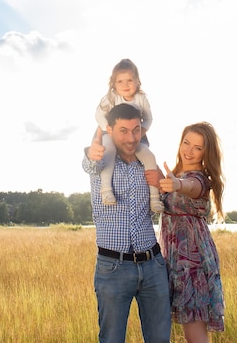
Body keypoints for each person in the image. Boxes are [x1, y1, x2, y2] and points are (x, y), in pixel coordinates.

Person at [82, 103, 171, 343]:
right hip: (113, 268)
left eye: (136, 130)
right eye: (123, 130)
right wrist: (92, 150)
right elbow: (90, 163)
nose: (131, 138)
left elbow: (167, 206)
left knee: (160, 339)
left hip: (153, 266)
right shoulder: (102, 164)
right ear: (109, 130)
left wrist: (163, 184)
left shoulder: (148, 164)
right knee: (111, 339)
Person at [146, 122, 225, 343]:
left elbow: (191, 186)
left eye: (198, 148)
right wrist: (165, 182)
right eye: (186, 143)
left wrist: (177, 184)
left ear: (205, 153)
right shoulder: (175, 174)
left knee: (195, 335)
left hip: (193, 264)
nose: (189, 151)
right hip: (174, 261)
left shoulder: (199, 179)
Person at [95, 58, 164, 213]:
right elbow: (99, 115)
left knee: (149, 157)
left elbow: (148, 119)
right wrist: (107, 130)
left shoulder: (141, 99)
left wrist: (141, 133)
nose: (125, 85)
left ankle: (154, 198)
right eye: (120, 81)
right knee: (109, 152)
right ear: (113, 84)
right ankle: (106, 189)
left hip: (136, 134)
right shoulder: (111, 98)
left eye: (129, 80)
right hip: (111, 134)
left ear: (137, 81)